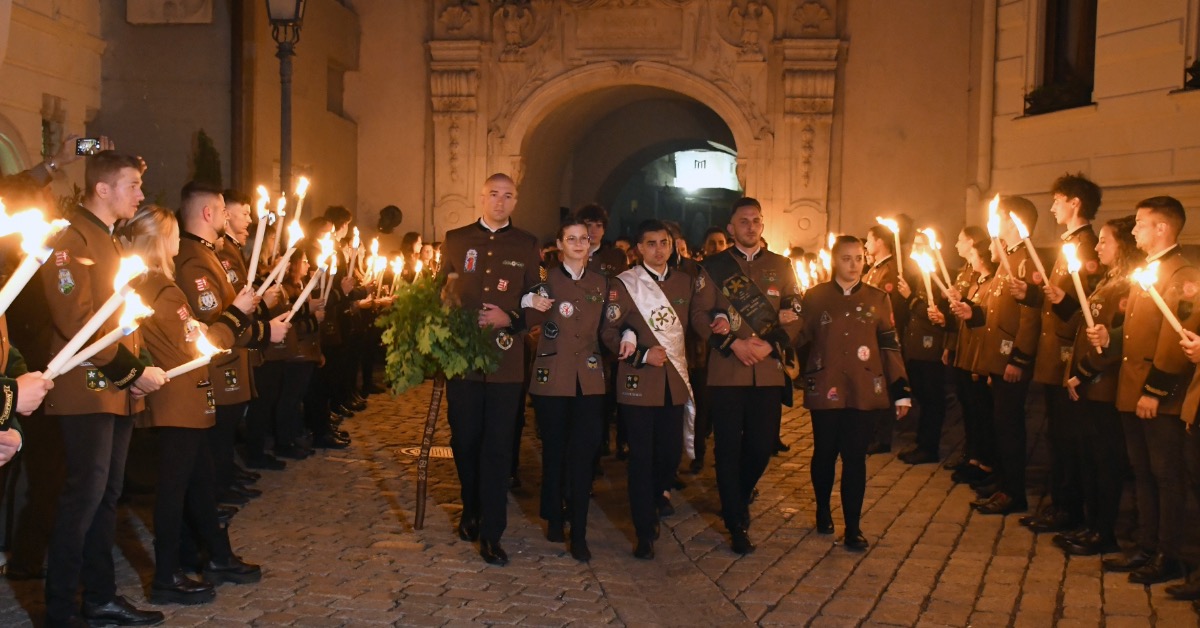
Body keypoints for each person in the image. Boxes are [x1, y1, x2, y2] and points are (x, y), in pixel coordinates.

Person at [40, 151, 169, 628]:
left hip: (112, 387)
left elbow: (122, 323)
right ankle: (59, 610)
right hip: (85, 388)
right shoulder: (68, 242)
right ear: (102, 189)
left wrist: (135, 374)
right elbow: (77, 324)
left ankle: (99, 597)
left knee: (106, 496)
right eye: (132, 185)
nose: (139, 194)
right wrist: (132, 373)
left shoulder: (111, 242)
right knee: (83, 497)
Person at [121, 205, 262, 605]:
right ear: (162, 241)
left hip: (183, 399)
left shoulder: (145, 285)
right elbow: (201, 346)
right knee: (174, 489)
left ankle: (216, 555)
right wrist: (237, 315)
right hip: (179, 400)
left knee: (200, 482)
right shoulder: (163, 291)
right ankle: (166, 575)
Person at [437, 173, 541, 565]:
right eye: (493, 194)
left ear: (515, 201)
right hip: (462, 359)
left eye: (508, 196)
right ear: (481, 198)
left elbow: (539, 296)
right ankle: (471, 508)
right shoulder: (457, 238)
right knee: (464, 441)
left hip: (504, 362)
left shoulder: (527, 244)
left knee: (498, 447)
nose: (500, 201)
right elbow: (439, 289)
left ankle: (493, 531)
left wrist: (511, 317)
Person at [1096, 196, 1200, 584]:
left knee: (1166, 475)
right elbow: (1142, 327)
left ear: (1163, 228)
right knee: (1142, 471)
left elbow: (1176, 339)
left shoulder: (1182, 276)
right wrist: (1112, 335)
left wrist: (1155, 391)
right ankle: (1145, 545)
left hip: (1160, 396)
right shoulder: (1150, 271)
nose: (1134, 230)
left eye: (1141, 223)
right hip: (1134, 388)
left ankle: (1167, 553)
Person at [693, 198, 800, 553]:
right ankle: (735, 519)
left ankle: (737, 493)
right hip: (727, 371)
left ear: (762, 225)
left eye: (756, 221)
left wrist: (771, 346)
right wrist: (732, 345)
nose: (751, 226)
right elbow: (700, 314)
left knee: (760, 446)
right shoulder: (713, 267)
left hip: (767, 372)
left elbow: (795, 313)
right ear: (731, 227)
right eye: (743, 221)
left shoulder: (782, 266)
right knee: (726, 447)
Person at [601, 219, 707, 559]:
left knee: (668, 455)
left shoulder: (686, 283)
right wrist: (642, 354)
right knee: (640, 459)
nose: (659, 249)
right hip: (637, 383)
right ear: (638, 249)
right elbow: (608, 331)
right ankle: (643, 529)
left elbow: (698, 320)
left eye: (664, 243)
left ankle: (659, 493)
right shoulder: (624, 284)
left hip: (674, 383)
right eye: (651, 243)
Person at [800, 235, 910, 551]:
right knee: (824, 453)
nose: (854, 265)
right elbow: (801, 335)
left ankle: (853, 527)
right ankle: (823, 506)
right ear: (835, 260)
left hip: (864, 388)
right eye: (847, 258)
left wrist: (901, 389)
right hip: (826, 386)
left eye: (859, 258)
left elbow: (889, 342)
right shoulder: (816, 296)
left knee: (855, 458)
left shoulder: (878, 298)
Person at [174, 182, 284, 496]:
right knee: (215, 433)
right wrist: (263, 331)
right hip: (218, 361)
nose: (228, 217)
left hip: (232, 354)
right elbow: (212, 317)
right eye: (224, 210)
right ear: (209, 213)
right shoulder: (195, 258)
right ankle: (214, 490)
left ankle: (219, 483)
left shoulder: (208, 253)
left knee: (222, 430)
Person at [1012, 173, 1103, 534]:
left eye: (1057, 200)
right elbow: (1058, 300)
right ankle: (1060, 502)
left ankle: (1068, 507)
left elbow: (1086, 308)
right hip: (1054, 356)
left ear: (1074, 203)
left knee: (1069, 437)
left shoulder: (1087, 248)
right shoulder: (1071, 243)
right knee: (1056, 434)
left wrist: (1059, 300)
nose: (1052, 207)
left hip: (1069, 357)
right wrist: (1032, 295)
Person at [1043, 216, 1138, 558]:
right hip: (1087, 383)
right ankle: (1092, 524)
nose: (1097, 247)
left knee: (1105, 460)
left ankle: (1104, 530)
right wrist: (1062, 301)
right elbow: (1088, 319)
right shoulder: (1109, 281)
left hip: (1103, 386)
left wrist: (1081, 373)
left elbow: (1116, 340)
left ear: (1122, 247)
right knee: (1089, 458)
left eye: (1104, 241)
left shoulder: (1127, 286)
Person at [952, 196, 1042, 516]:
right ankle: (1003, 482)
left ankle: (1013, 492)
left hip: (1011, 359)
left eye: (1000, 217)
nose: (995, 223)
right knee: (1000, 424)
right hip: (998, 358)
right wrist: (973, 313)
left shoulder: (1025, 261)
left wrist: (1019, 359)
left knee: (1010, 427)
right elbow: (996, 311)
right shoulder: (1009, 257)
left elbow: (1030, 315)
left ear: (1013, 220)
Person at [523, 218, 606, 561]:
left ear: (590, 244)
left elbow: (610, 326)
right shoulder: (545, 280)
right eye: (570, 238)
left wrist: (628, 339)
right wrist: (528, 302)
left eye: (582, 238)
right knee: (555, 450)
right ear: (558, 244)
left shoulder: (602, 282)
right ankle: (555, 515)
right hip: (553, 375)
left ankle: (580, 531)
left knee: (583, 454)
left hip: (588, 378)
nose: (577, 243)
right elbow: (526, 321)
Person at [896, 231, 949, 465]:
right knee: (924, 397)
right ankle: (922, 443)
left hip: (930, 349)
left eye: (919, 245)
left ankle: (929, 447)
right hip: (917, 348)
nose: (913, 249)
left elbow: (933, 315)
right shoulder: (919, 275)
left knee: (932, 400)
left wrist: (910, 298)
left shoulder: (937, 277)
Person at [862, 223, 911, 454]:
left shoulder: (890, 270)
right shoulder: (874, 269)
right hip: (869, 336)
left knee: (882, 385)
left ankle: (882, 437)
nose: (866, 244)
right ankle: (871, 431)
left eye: (870, 240)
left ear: (880, 241)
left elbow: (888, 307)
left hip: (881, 336)